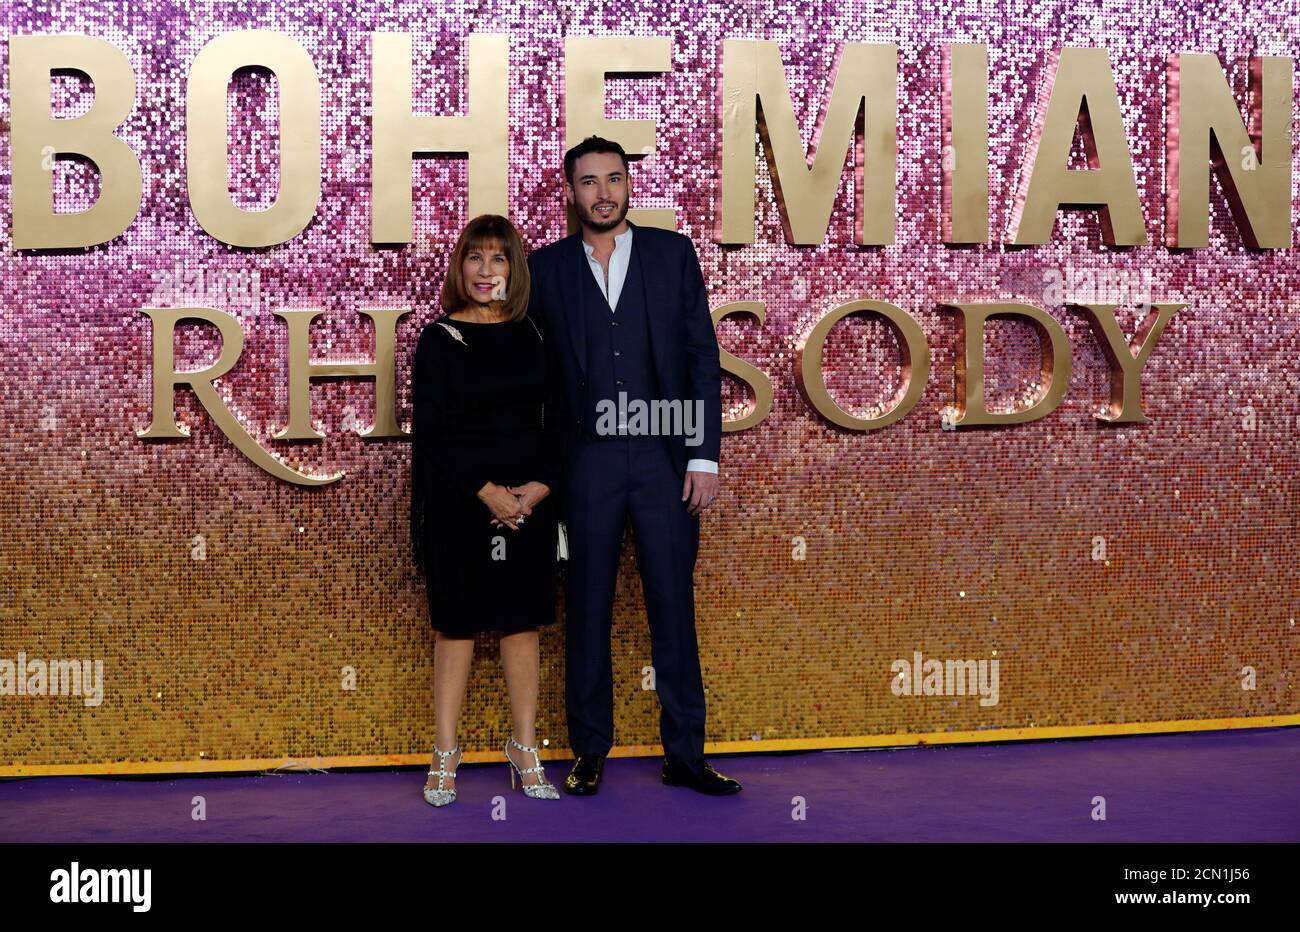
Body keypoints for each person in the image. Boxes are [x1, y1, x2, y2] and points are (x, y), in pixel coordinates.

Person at [526, 136, 742, 795]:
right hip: (585, 462)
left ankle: (686, 754)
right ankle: (589, 751)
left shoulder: (672, 254)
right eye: (588, 182)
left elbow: (702, 357)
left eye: (612, 179)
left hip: (663, 454)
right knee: (586, 608)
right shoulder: (546, 268)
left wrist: (703, 455)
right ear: (570, 192)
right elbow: (536, 382)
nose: (602, 193)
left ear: (627, 183)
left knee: (672, 605)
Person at [410, 214, 568, 807]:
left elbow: (561, 422)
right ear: (460, 268)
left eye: (498, 258)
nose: (485, 270)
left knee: (521, 624)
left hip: (530, 505)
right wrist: (488, 492)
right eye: (474, 257)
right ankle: (444, 753)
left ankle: (523, 749)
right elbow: (432, 431)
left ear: (514, 269)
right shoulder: (439, 339)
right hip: (460, 503)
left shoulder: (537, 336)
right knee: (456, 627)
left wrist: (537, 489)